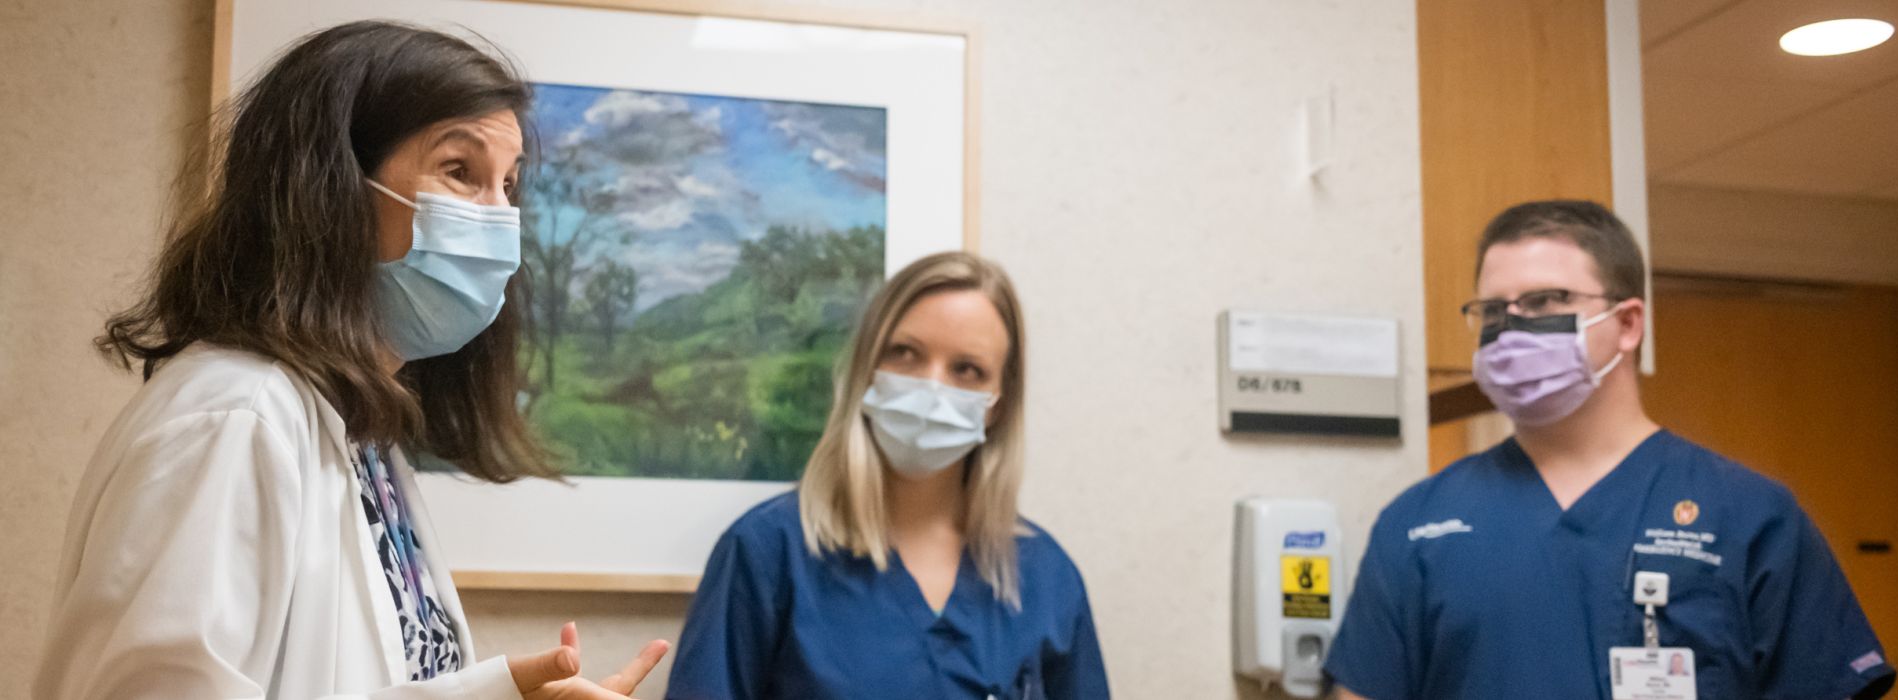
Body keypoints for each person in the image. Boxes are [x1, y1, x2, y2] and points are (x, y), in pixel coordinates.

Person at [34, 21, 666, 699]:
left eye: (507, 186)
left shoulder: (357, 430)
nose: (498, 221)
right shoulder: (235, 418)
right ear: (330, 189)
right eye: (460, 172)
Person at [1324, 200, 1894, 699]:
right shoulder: (1420, 524)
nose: (1514, 328)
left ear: (1627, 323)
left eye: (1547, 299)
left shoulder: (1748, 515)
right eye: (1494, 311)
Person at [665, 252, 1108, 699]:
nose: (932, 387)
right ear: (865, 369)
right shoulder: (767, 553)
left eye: (967, 369)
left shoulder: (1046, 578)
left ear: (999, 403)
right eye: (905, 353)